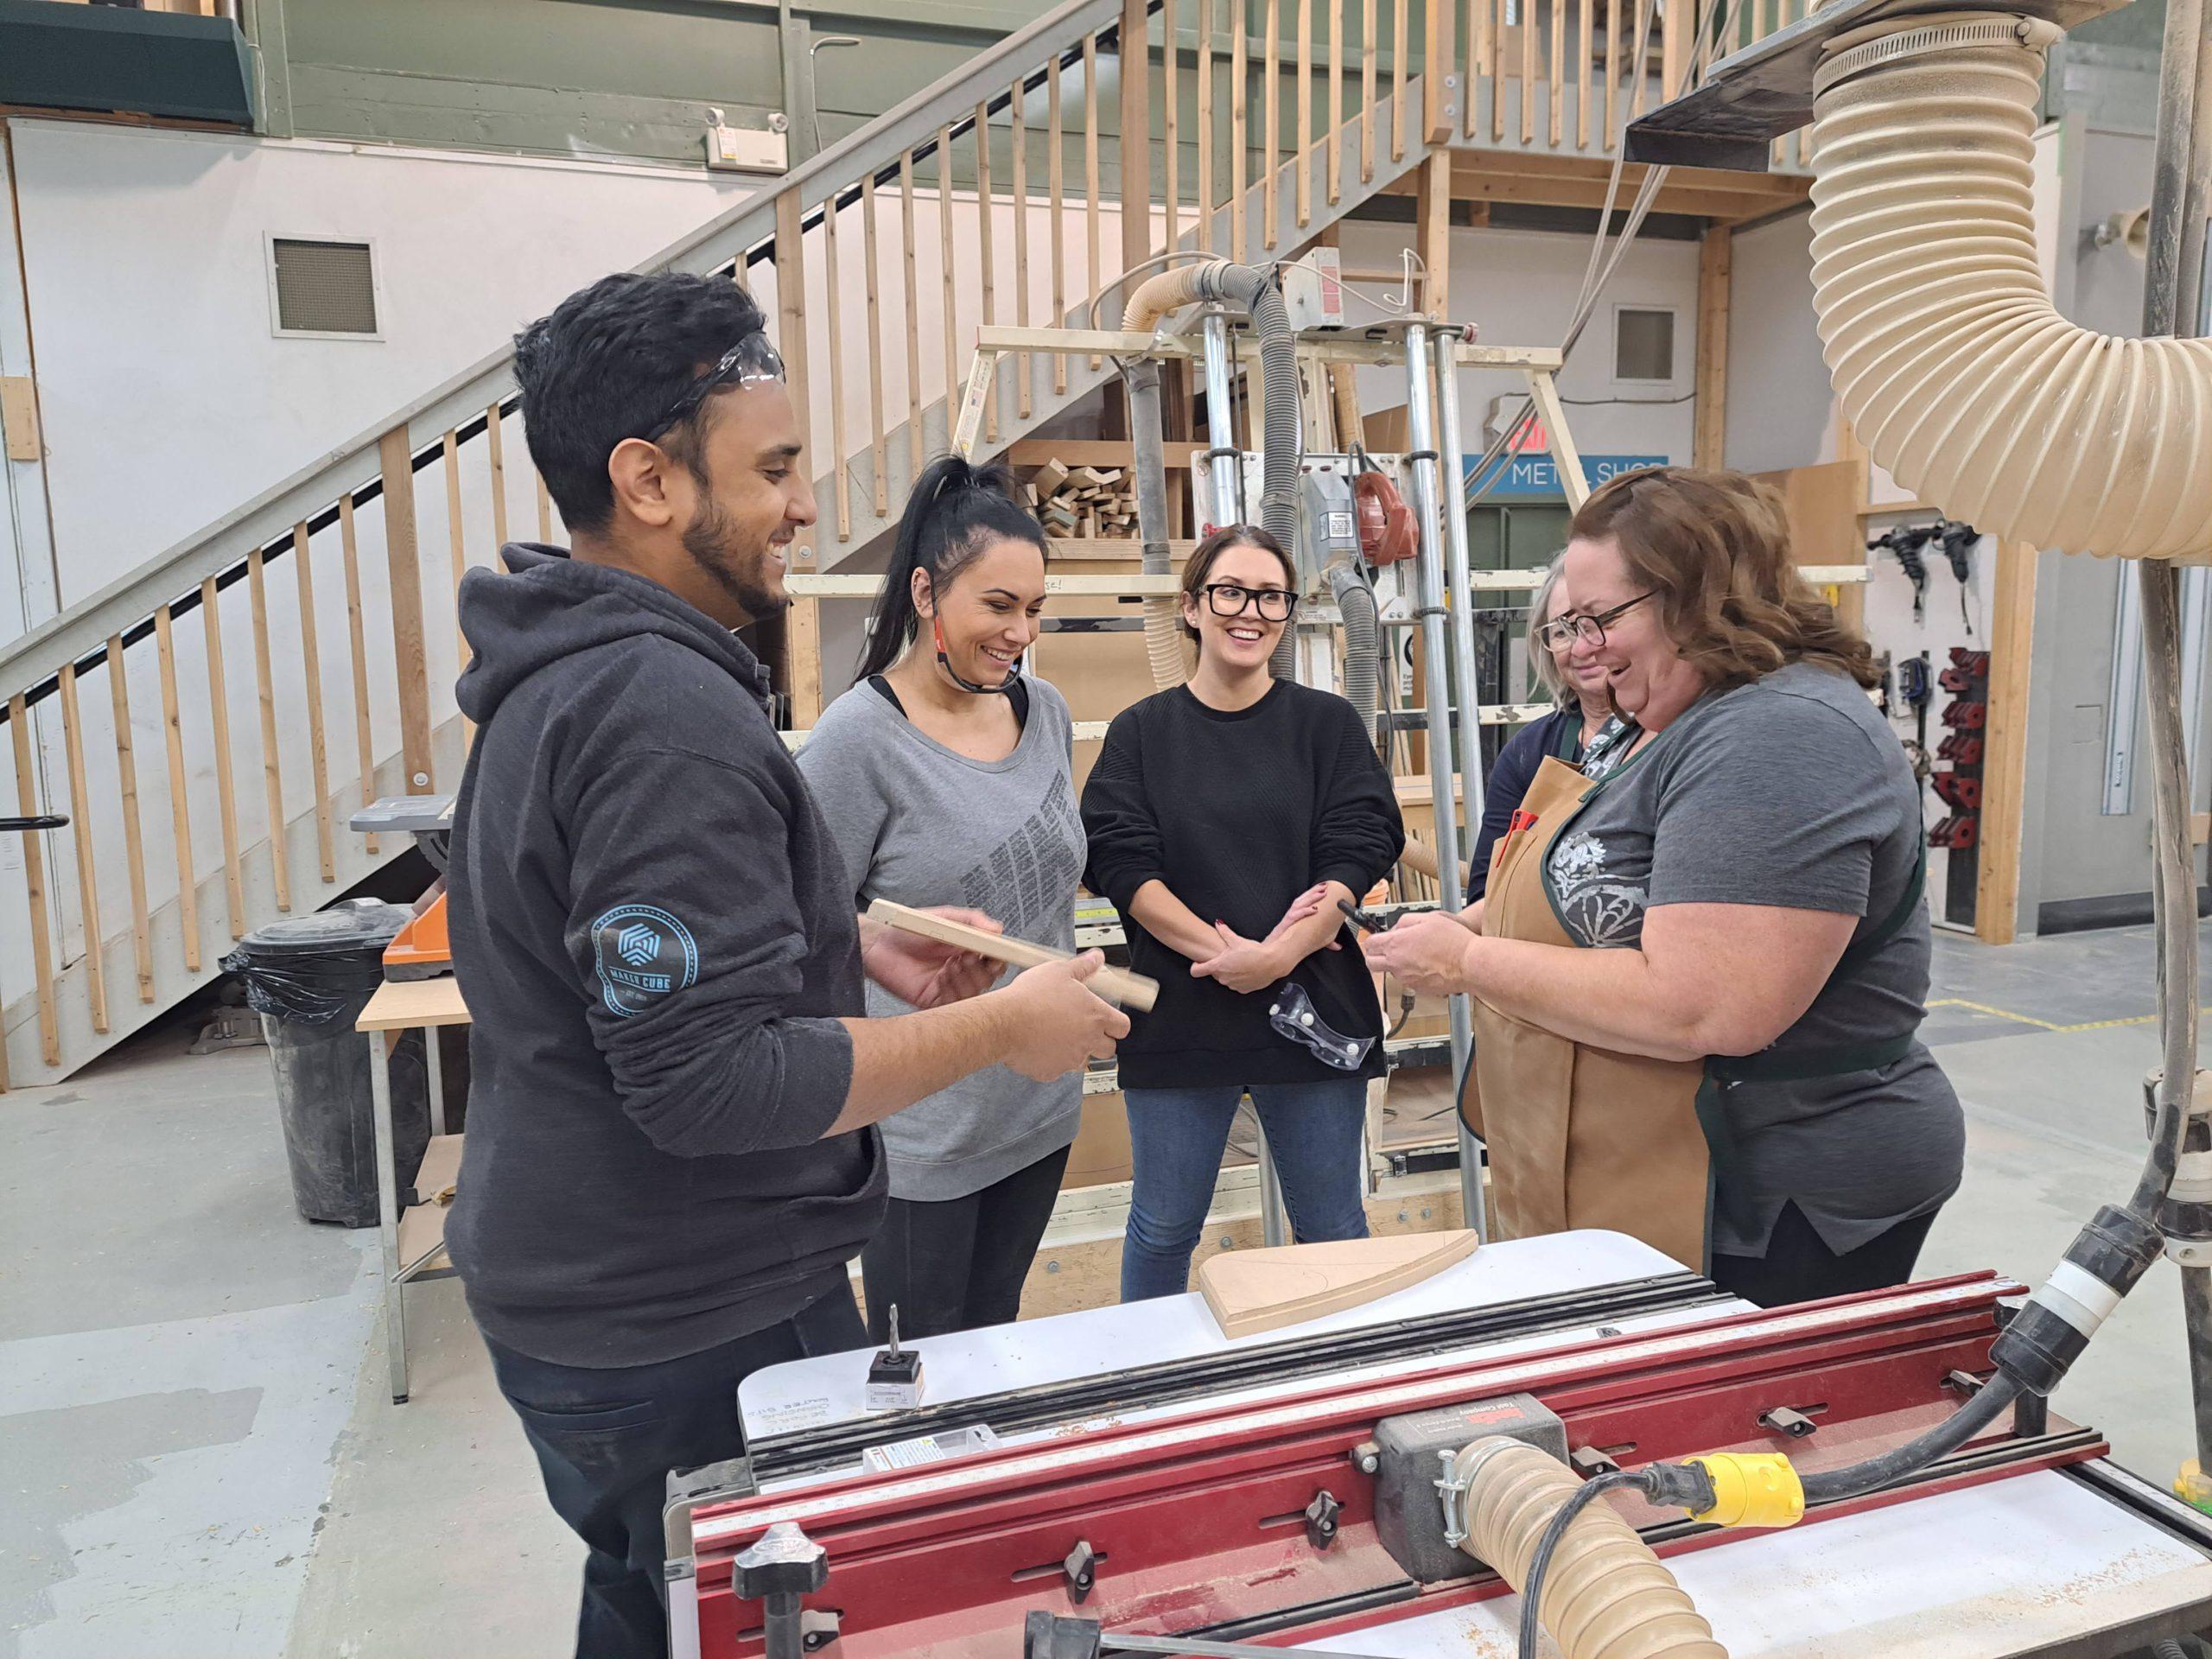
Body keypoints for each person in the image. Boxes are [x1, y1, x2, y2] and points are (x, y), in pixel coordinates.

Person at [442, 270, 1127, 1659]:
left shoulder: (574, 672)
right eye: (773, 469)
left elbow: (620, 956)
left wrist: (839, 938)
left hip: (603, 1286)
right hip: (682, 1313)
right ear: (648, 479)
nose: (808, 505)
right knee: (771, 1616)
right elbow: (705, 1082)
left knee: (653, 1597)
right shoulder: (659, 711)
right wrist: (1003, 1029)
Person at [1364, 467, 1962, 1308]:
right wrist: (1428, 936)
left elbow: (1702, 1006)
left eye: (1602, 619)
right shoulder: (1656, 723)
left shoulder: (1779, 737)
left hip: (1771, 1193)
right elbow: (1577, 889)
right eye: (1569, 624)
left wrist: (1467, 964)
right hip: (1655, 1156)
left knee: (1737, 1430)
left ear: (1700, 598)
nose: (1585, 649)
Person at [798, 456, 1084, 1341]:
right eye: (997, 607)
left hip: (1036, 1109)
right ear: (926, 594)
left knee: (991, 1339)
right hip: (922, 1135)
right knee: (915, 1372)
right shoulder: (858, 742)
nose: (1019, 633)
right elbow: (799, 928)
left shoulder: (1046, 712)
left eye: (1033, 611)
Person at [1082, 525, 1406, 1301]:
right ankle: (1153, 1397)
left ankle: (1346, 1389)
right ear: (1192, 607)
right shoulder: (1142, 732)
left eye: (1272, 597)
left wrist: (1281, 956)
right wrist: (1229, 958)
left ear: (1288, 613)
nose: (1251, 612)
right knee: (1163, 1230)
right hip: (1183, 1013)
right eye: (1232, 591)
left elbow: (1360, 844)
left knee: (1331, 1225)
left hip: (1314, 1010)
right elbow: (1121, 861)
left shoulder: (1324, 726)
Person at [1466, 553, 1633, 900]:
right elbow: (1488, 891)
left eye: (1592, 623)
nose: (1581, 647)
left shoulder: (1666, 733)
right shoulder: (1529, 750)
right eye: (1561, 631)